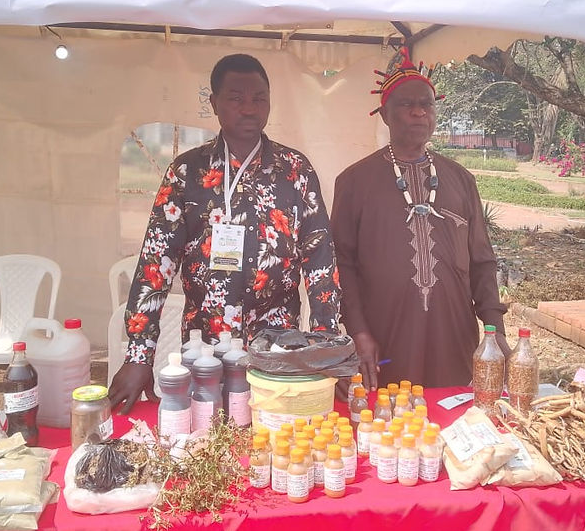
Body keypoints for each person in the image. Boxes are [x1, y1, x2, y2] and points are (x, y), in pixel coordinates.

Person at [109, 53, 341, 413]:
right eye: (236, 98)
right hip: (206, 350)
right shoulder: (187, 171)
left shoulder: (295, 170)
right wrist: (139, 355)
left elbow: (320, 259)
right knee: (208, 442)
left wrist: (325, 343)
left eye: (259, 98)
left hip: (277, 347)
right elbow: (157, 262)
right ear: (215, 104)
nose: (249, 108)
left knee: (271, 441)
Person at [331, 48, 509, 391]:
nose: (418, 112)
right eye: (406, 105)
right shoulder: (354, 181)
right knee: (391, 426)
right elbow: (343, 265)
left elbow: (482, 261)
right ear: (385, 114)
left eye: (426, 104)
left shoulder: (460, 179)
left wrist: (493, 329)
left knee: (452, 416)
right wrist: (359, 332)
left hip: (453, 332)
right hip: (385, 334)